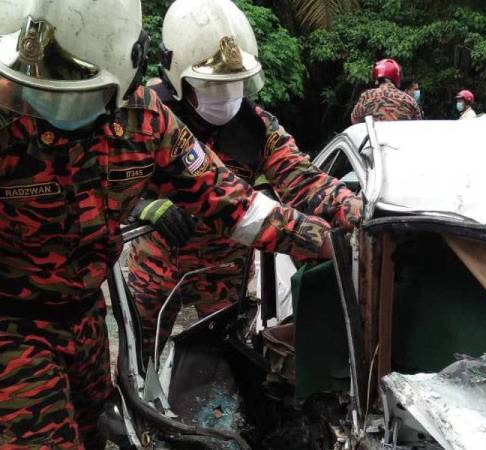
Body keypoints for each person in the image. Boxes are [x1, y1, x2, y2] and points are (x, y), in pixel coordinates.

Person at [0, 1, 333, 448]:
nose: (51, 102)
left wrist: (333, 243)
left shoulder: (147, 122)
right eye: (42, 86)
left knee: (96, 430)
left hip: (86, 322)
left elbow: (233, 204)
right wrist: (144, 210)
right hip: (13, 328)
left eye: (79, 89)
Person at [128, 0, 363, 359]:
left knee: (223, 362)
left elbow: (305, 181)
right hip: (159, 263)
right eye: (211, 87)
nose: (225, 98)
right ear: (178, 76)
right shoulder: (150, 119)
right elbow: (104, 183)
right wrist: (142, 206)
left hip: (223, 269)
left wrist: (357, 210)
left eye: (234, 84)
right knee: (139, 355)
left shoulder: (257, 128)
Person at [351, 58, 422, 124]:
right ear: (397, 76)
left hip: (375, 137)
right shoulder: (409, 100)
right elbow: (418, 125)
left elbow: (355, 120)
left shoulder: (367, 96)